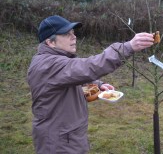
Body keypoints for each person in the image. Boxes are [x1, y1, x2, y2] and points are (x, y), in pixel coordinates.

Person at [27, 15, 154, 154]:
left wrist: (98, 85)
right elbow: (89, 67)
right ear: (50, 42)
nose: (74, 37)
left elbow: (70, 80)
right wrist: (127, 47)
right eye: (66, 34)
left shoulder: (54, 62)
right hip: (59, 142)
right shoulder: (48, 65)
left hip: (67, 136)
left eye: (73, 33)